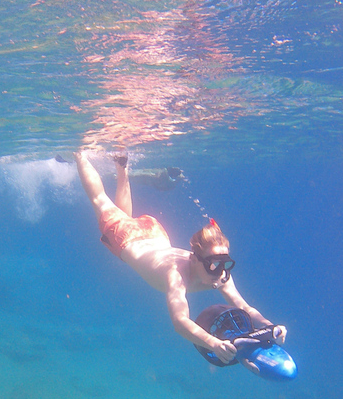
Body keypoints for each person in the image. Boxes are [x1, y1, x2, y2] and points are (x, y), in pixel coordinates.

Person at [75, 151, 286, 366]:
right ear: (194, 259)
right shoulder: (176, 275)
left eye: (226, 264)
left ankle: (122, 167)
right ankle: (79, 153)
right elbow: (180, 321)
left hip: (154, 234)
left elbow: (245, 307)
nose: (221, 272)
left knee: (124, 215)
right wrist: (212, 343)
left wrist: (270, 327)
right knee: (100, 200)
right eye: (214, 265)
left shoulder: (220, 274)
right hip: (125, 237)